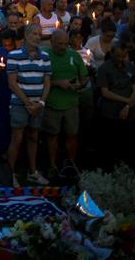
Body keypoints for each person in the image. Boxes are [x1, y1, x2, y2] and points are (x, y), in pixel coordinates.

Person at [6, 23, 51, 186]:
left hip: (38, 104)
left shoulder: (45, 56)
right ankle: (10, 174)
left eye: (40, 34)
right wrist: (27, 103)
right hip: (20, 103)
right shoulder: (14, 55)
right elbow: (12, 83)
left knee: (33, 137)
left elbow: (47, 82)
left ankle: (33, 172)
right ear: (26, 35)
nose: (38, 37)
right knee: (16, 138)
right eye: (34, 34)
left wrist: (40, 103)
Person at [42, 30, 87, 179]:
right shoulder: (45, 56)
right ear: (52, 42)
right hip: (52, 103)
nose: (62, 47)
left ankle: (71, 163)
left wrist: (80, 84)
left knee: (72, 134)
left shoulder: (74, 55)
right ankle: (52, 165)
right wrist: (58, 83)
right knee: (52, 135)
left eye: (65, 43)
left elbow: (84, 77)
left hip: (71, 103)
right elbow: (41, 79)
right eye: (59, 44)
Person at [96, 38, 135, 170]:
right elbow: (105, 92)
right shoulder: (104, 68)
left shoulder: (130, 66)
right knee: (111, 144)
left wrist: (127, 106)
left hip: (128, 111)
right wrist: (126, 101)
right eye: (118, 56)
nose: (120, 59)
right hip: (110, 111)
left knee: (127, 143)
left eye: (123, 56)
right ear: (112, 53)